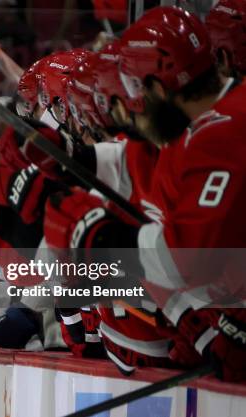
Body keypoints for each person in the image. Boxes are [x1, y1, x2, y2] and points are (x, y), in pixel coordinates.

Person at [43, 6, 246, 381]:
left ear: (156, 84)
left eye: (131, 92)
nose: (128, 111)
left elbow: (185, 258)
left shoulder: (223, 130)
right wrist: (70, 157)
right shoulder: (186, 134)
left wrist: (99, 236)